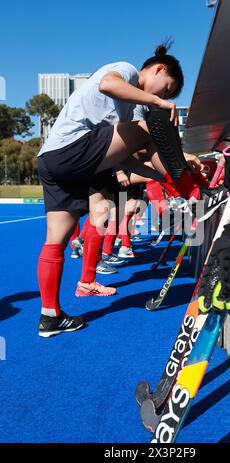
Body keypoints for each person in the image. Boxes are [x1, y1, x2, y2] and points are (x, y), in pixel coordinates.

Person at [37, 41, 197, 338]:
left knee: (55, 241)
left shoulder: (126, 112)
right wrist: (159, 105)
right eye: (166, 88)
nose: (163, 95)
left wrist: (159, 177)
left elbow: (124, 157)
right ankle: (190, 188)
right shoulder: (126, 70)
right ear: (159, 69)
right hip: (70, 151)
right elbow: (108, 84)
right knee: (151, 125)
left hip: (53, 160)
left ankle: (50, 317)